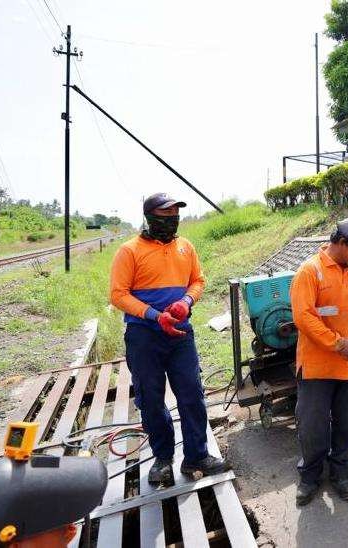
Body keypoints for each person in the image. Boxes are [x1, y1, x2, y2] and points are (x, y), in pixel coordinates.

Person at [110, 193, 228, 485]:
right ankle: (163, 459)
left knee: (192, 393)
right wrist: (153, 315)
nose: (171, 221)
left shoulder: (185, 248)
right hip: (144, 335)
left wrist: (186, 301)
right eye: (165, 216)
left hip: (180, 334)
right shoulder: (130, 251)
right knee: (150, 399)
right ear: (149, 217)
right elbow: (118, 294)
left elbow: (198, 280)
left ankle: (196, 455)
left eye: (175, 216)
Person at [290, 218, 348, 505]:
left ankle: (341, 472)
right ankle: (310, 476)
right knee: (313, 427)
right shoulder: (309, 272)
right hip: (317, 368)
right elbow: (303, 317)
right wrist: (336, 343)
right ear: (342, 243)